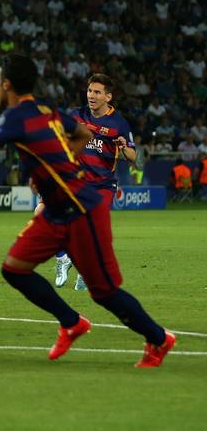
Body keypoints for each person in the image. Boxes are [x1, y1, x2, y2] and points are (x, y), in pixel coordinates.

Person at [0, 54, 176, 367]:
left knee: (103, 292)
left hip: (82, 207)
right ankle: (71, 322)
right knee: (14, 268)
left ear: (7, 84)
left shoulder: (16, 116)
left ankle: (159, 339)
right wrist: (53, 166)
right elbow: (82, 135)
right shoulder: (46, 109)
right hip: (56, 208)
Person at [55, 73, 138, 290]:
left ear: (108, 97)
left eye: (97, 92)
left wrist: (123, 146)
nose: (91, 95)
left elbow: (133, 157)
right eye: (90, 91)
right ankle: (64, 259)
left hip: (102, 184)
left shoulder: (118, 122)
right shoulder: (77, 115)